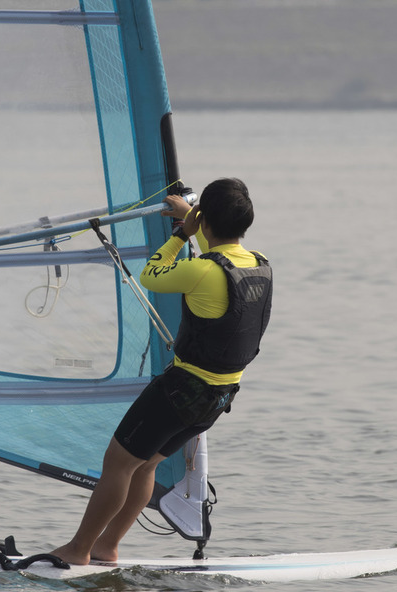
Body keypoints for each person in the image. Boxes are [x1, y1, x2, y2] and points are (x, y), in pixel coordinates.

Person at [50, 177, 272, 565]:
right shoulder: (259, 265)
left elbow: (152, 275)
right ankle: (108, 545)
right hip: (219, 398)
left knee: (118, 463)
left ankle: (79, 549)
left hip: (182, 389)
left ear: (205, 220)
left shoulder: (201, 270)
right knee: (146, 463)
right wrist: (195, 222)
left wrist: (178, 236)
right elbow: (219, 261)